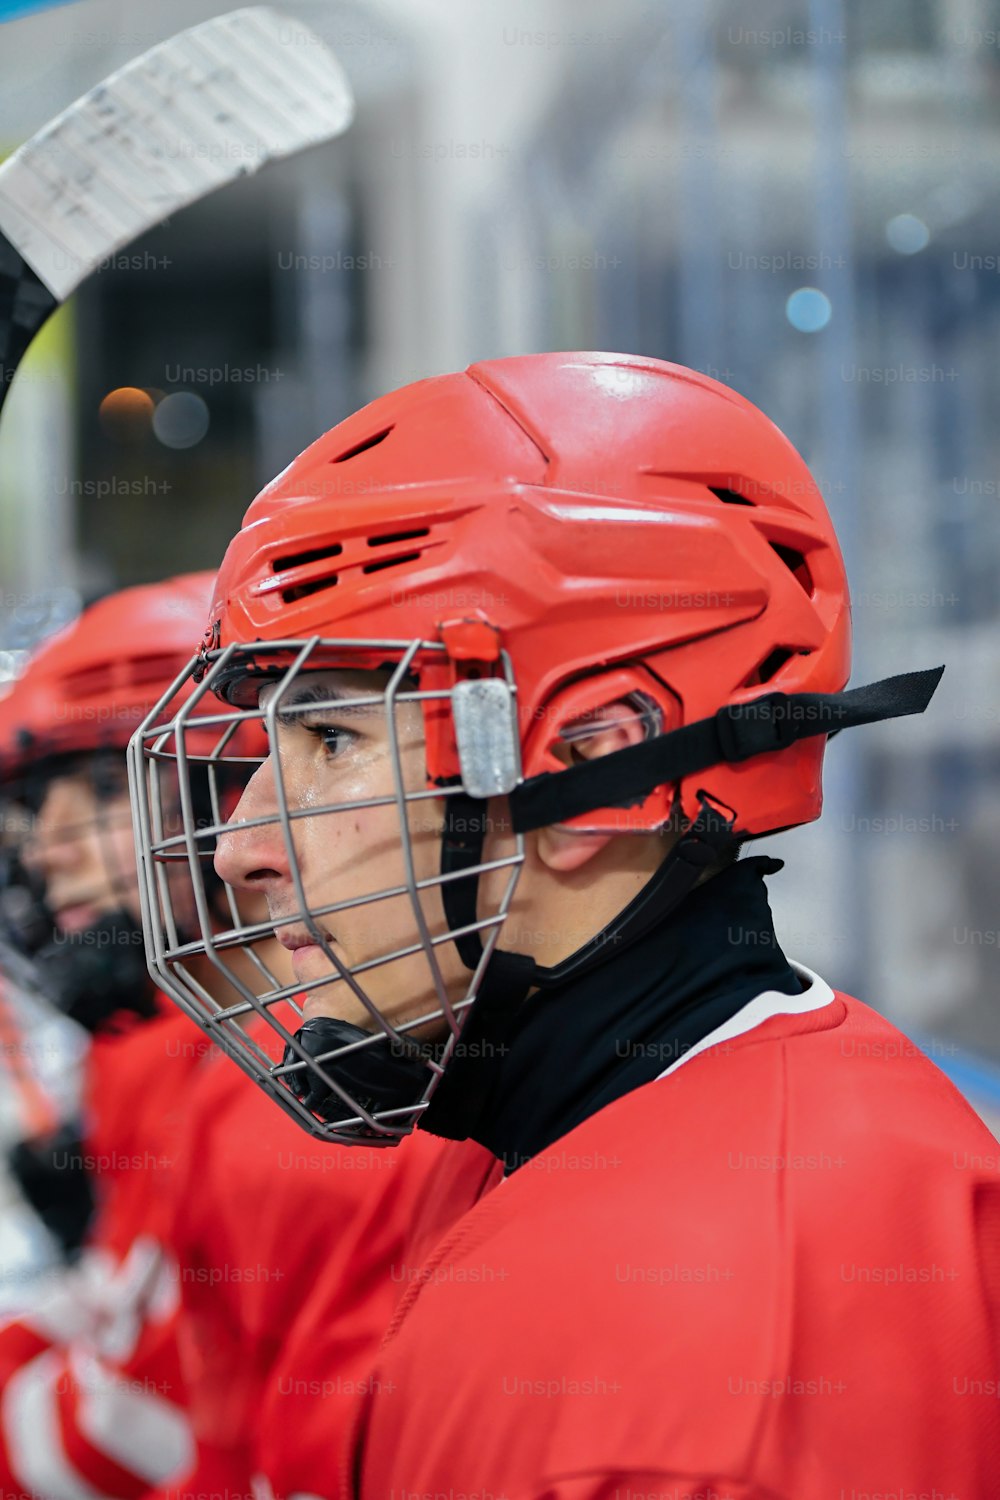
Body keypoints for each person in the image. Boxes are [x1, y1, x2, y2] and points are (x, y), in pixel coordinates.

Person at [129, 352, 1000, 1497]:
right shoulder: (556, 1113)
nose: (237, 846)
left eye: (331, 742)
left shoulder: (683, 1406)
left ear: (592, 774)